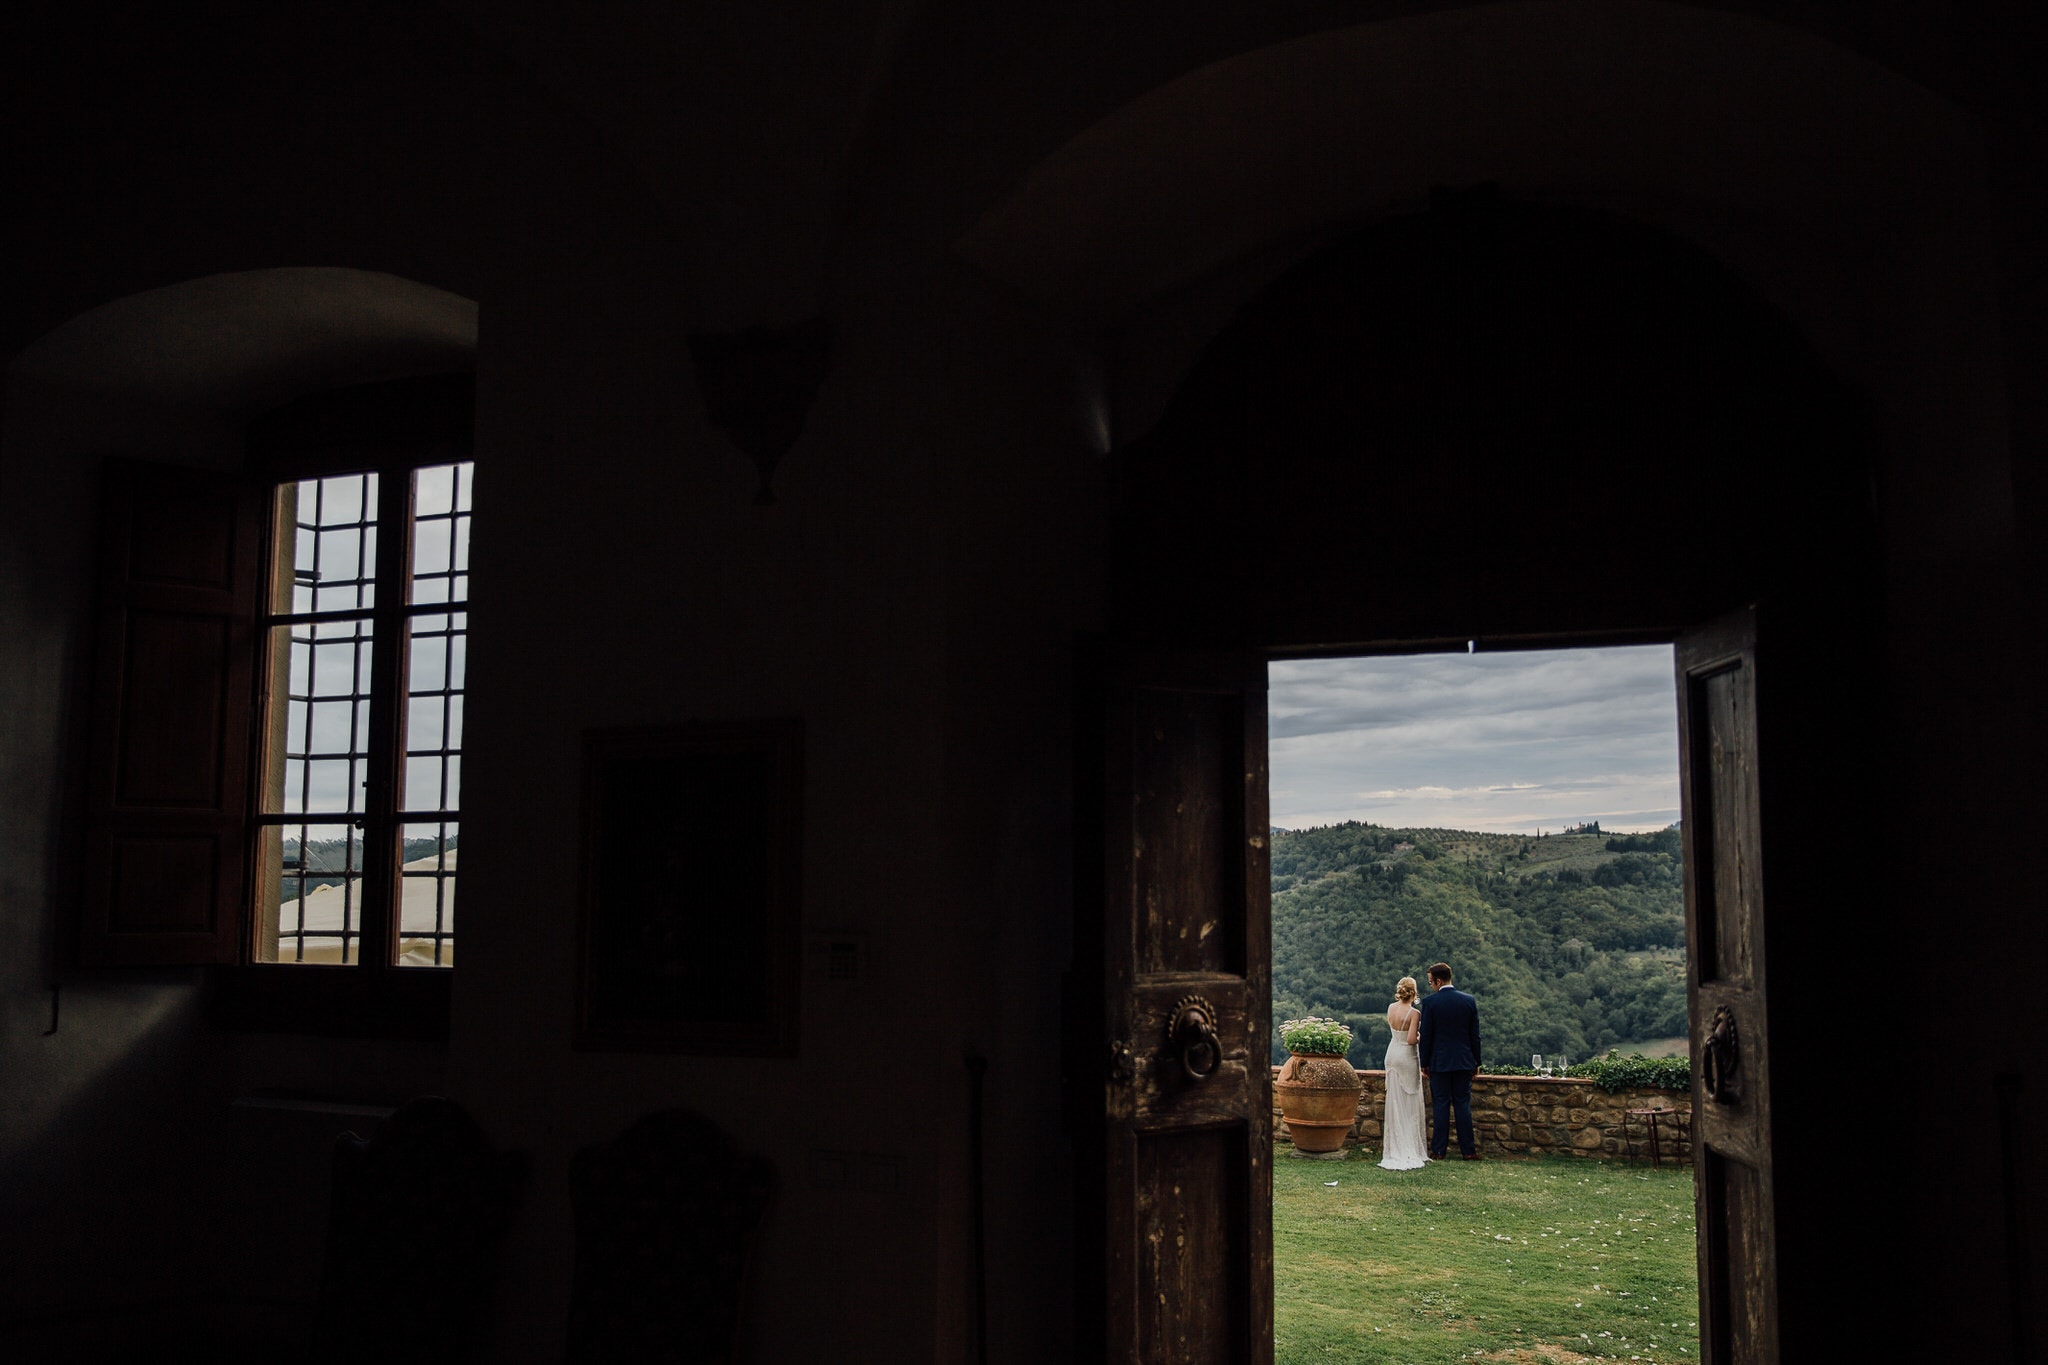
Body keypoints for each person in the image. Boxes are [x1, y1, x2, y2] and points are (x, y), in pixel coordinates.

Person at [1417, 961, 1483, 1160]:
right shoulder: (1468, 1001)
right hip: (1464, 1061)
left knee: (1441, 1105)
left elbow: (1426, 1036)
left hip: (1439, 1062)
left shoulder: (1430, 1003)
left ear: (1438, 980)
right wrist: (1476, 1062)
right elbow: (1475, 1036)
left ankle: (1438, 1151)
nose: (1431, 986)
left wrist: (1424, 1063)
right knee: (1463, 1105)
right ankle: (1468, 1151)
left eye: (1431, 982)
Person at [1378, 976, 1428, 1170]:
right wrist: (1422, 1035)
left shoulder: (1391, 1008)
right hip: (1406, 1056)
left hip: (1391, 1054)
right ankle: (1408, 1145)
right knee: (1410, 1099)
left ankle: (1394, 1147)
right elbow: (1410, 1040)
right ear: (1414, 993)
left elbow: (1396, 1033)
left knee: (1395, 1101)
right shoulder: (1414, 1013)